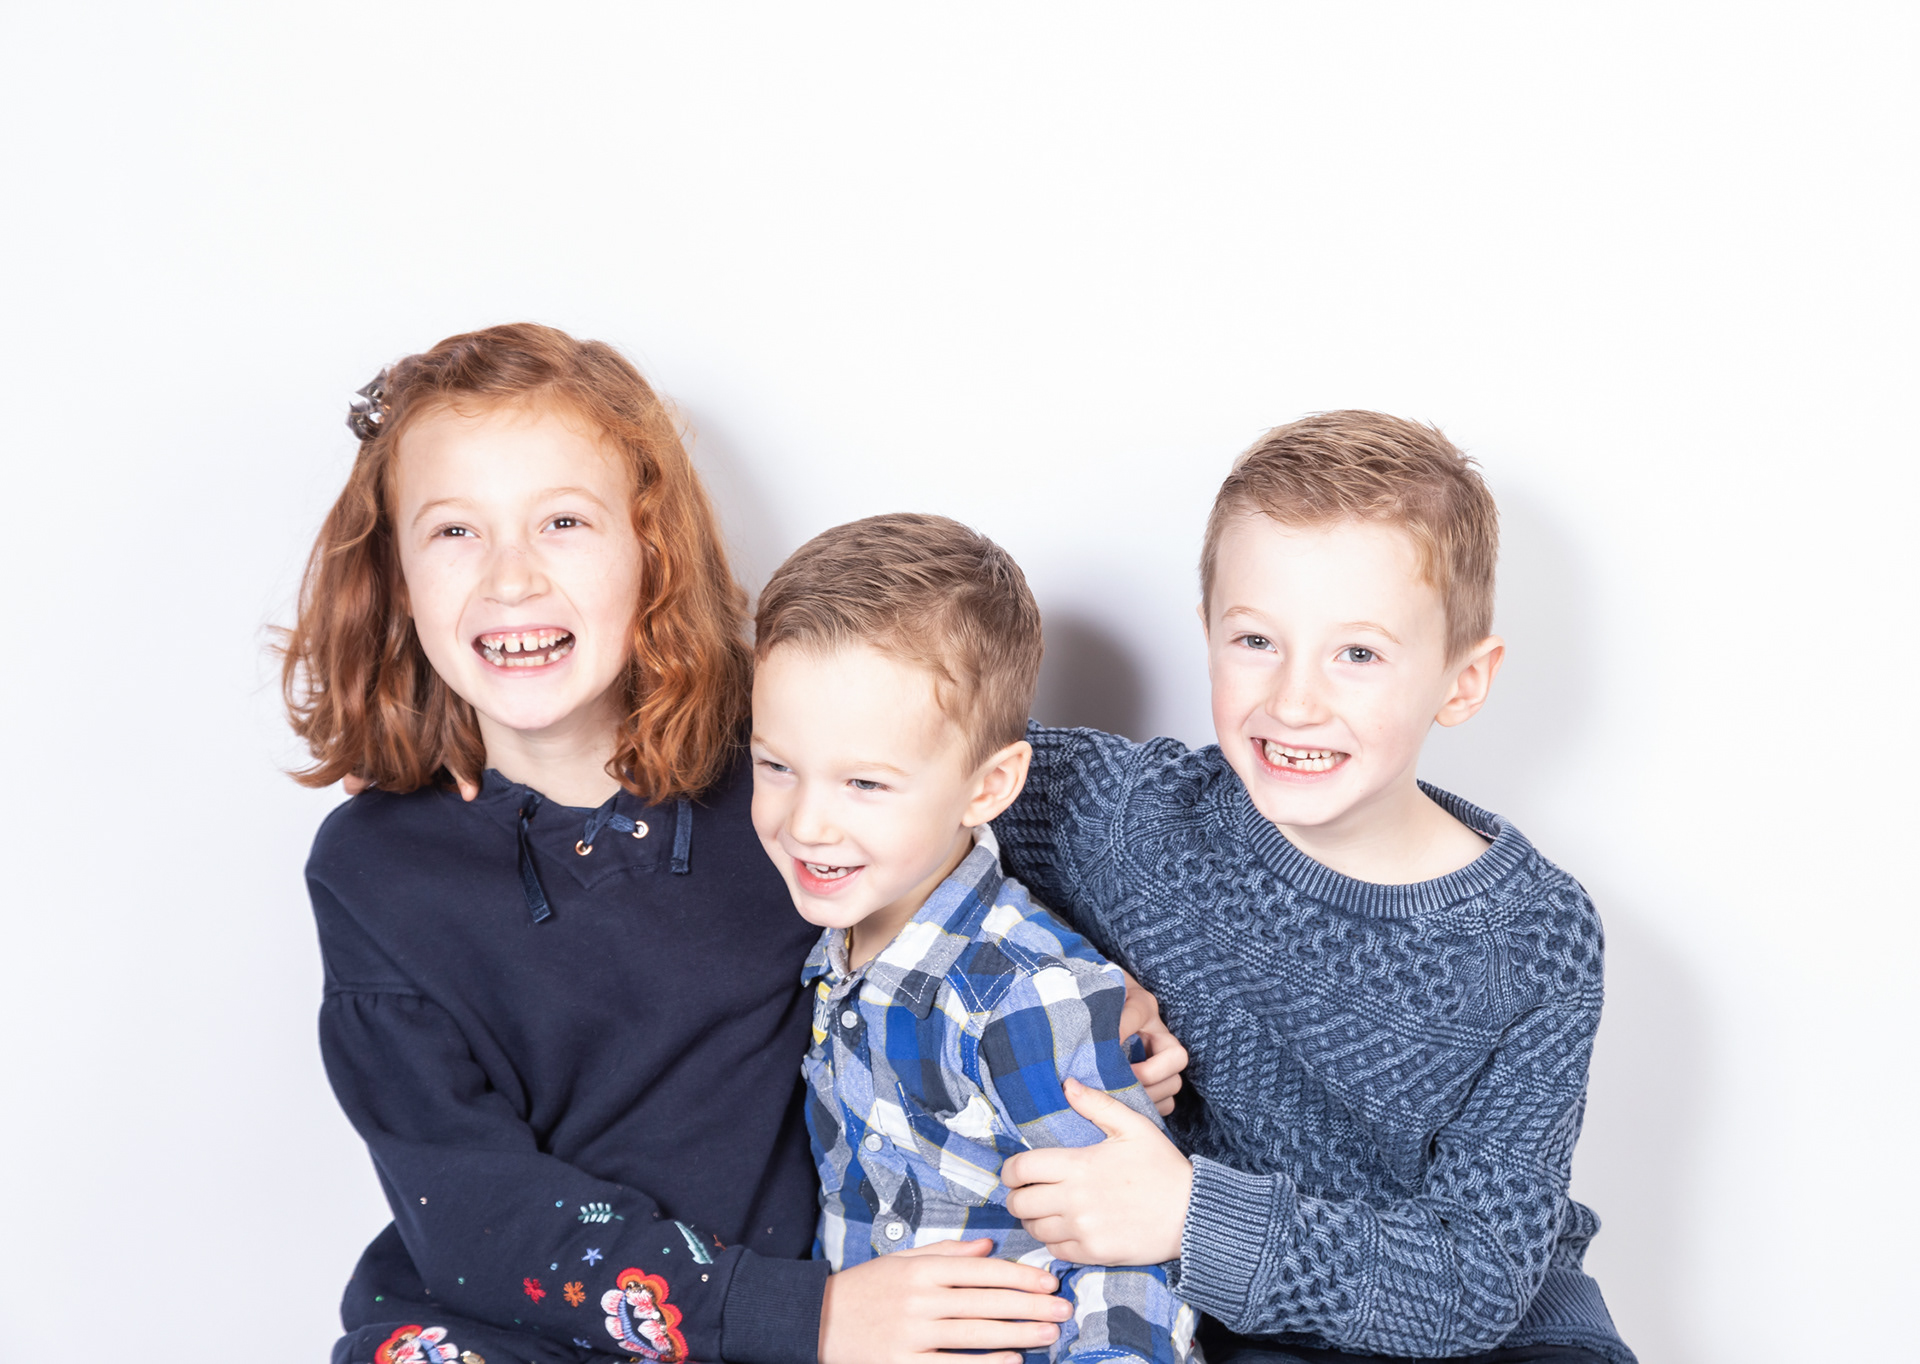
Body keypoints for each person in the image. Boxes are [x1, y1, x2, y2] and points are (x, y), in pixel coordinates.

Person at [281, 323, 1185, 1364]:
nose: (511, 578)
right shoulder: (375, 869)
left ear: (651, 548)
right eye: (454, 530)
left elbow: (951, 769)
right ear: (395, 576)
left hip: (790, 1324)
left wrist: (1097, 981)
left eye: (563, 521)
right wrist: (808, 1318)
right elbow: (470, 1204)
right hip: (530, 1327)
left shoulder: (777, 770)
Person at [994, 413, 1635, 1364]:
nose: (1294, 701)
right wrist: (1076, 966)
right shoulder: (1128, 818)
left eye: (1358, 654)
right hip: (1244, 1327)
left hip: (1490, 1330)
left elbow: (1478, 1278)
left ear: (1462, 682)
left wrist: (1192, 1214)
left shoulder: (1534, 937)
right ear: (1207, 634)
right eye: (1256, 640)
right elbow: (924, 777)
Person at [747, 514, 1201, 1364]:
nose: (805, 823)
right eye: (776, 766)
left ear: (989, 788)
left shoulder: (1025, 994)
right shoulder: (833, 943)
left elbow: (1129, 1251)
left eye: (864, 782)